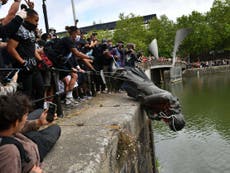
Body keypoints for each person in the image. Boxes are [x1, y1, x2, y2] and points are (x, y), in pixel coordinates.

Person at [0, 94, 61, 173]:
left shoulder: (7, 129)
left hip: (21, 138)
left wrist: (39, 122)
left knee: (40, 111)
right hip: (30, 152)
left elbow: (19, 127)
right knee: (55, 129)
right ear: (15, 122)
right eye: (25, 116)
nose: (26, 118)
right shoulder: (9, 152)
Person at [7, 8, 44, 109]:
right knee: (26, 94)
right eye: (36, 20)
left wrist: (41, 60)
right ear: (28, 18)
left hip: (33, 66)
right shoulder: (19, 30)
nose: (37, 23)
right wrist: (22, 62)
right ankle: (24, 117)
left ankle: (40, 112)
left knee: (41, 88)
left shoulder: (31, 32)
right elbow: (10, 48)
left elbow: (32, 48)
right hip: (23, 68)